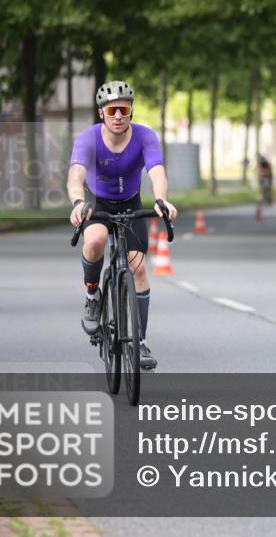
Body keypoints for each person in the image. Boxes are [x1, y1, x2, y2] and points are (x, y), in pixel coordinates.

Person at [67, 81, 177, 369]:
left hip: (131, 202)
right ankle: (93, 294)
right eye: (112, 110)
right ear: (101, 113)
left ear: (131, 112)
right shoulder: (88, 138)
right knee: (94, 240)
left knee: (138, 268)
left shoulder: (145, 136)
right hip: (97, 202)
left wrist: (161, 200)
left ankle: (139, 342)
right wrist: (78, 202)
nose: (118, 116)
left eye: (124, 110)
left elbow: (157, 172)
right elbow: (76, 175)